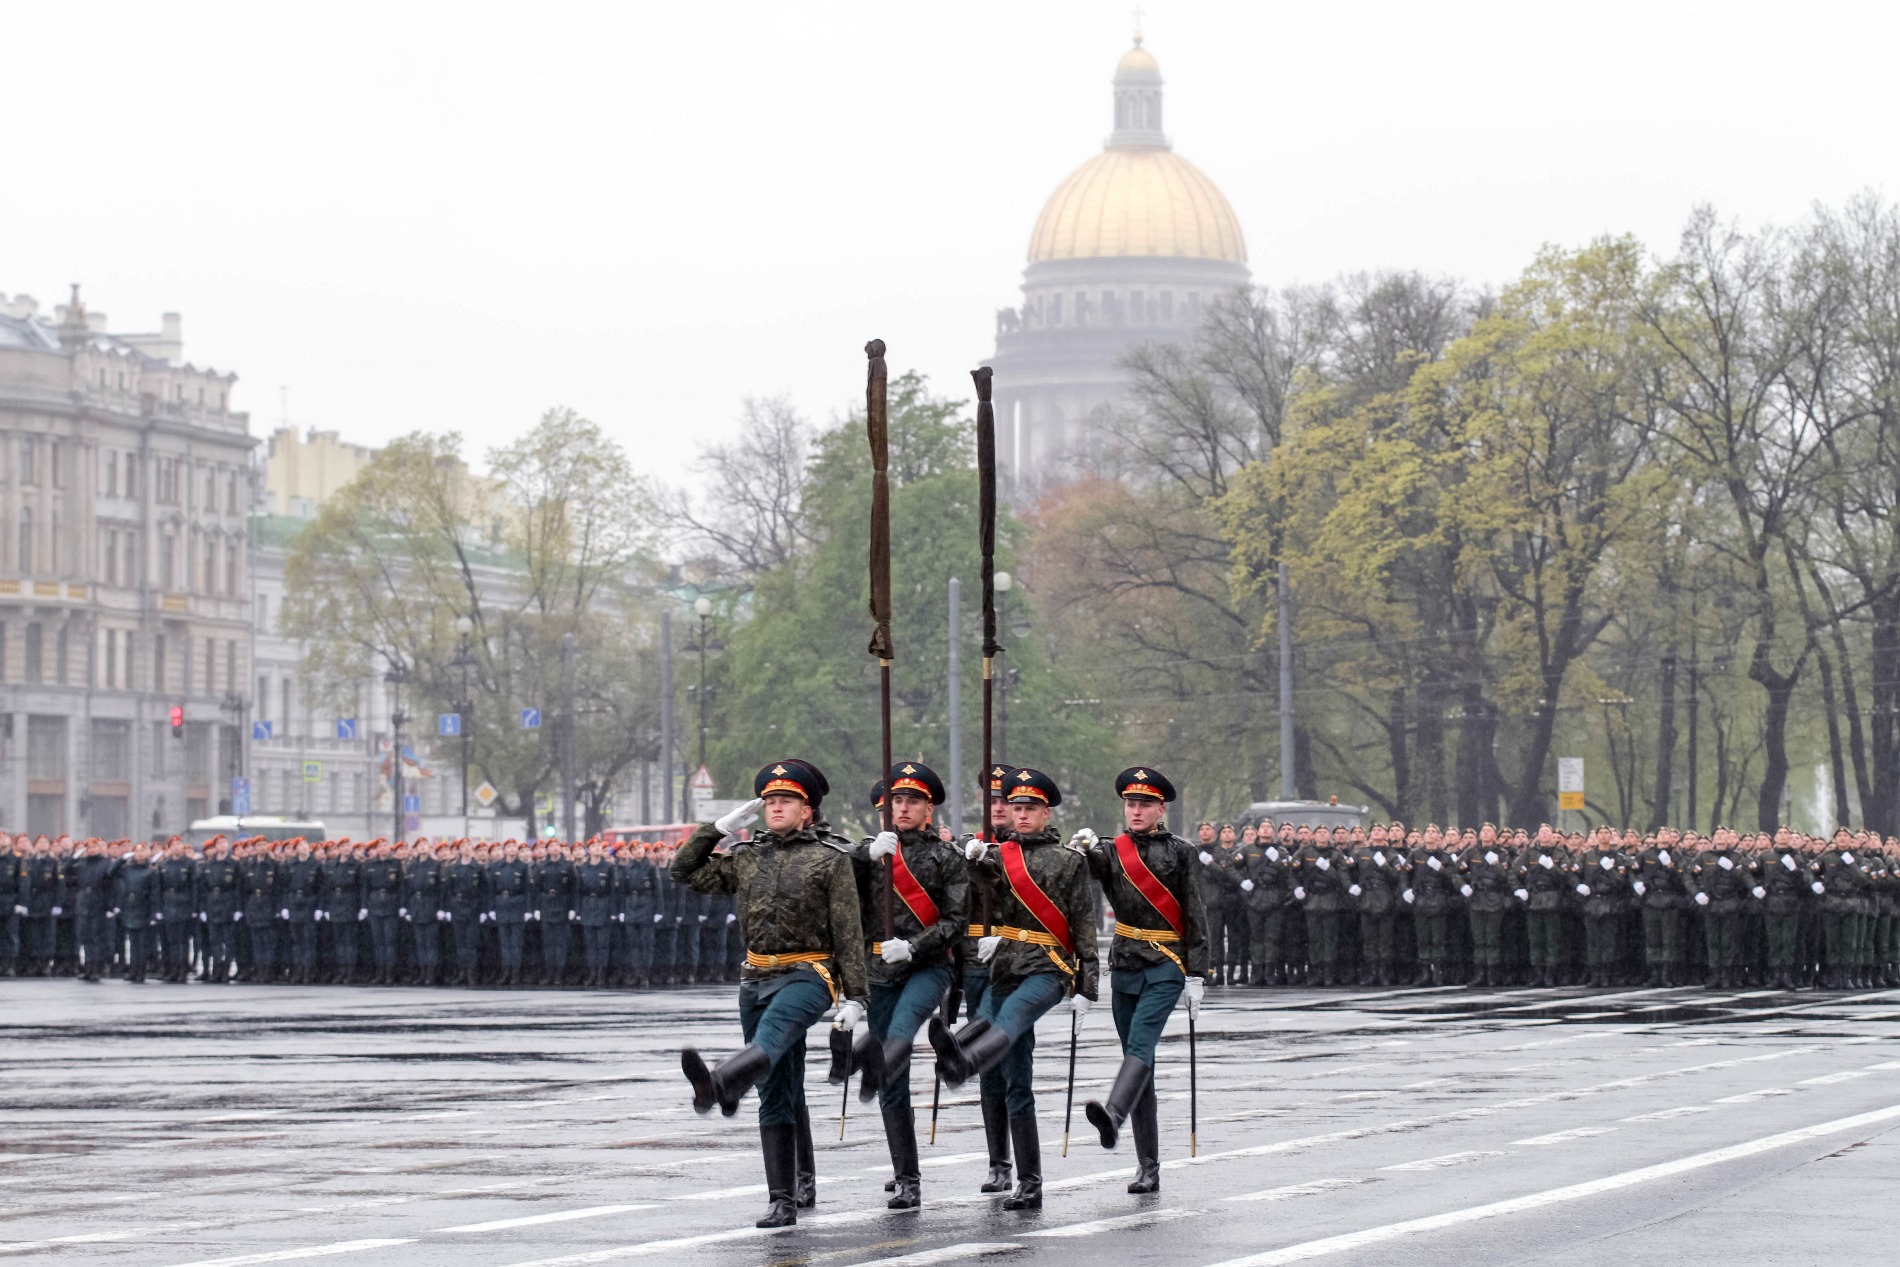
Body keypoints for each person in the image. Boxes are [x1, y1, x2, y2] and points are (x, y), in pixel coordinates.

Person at [674, 760, 868, 1230]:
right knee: (777, 1083)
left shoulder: (829, 858)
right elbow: (682, 870)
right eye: (770, 801)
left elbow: (848, 929)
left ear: (808, 810)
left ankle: (719, 1084)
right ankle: (786, 1194)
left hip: (810, 973)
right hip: (756, 978)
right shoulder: (747, 856)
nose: (775, 807)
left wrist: (857, 996)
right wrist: (716, 829)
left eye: (786, 801)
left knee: (773, 1041)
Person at [931, 766, 1098, 1212]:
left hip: (1048, 968)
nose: (1020, 815)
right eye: (1016, 807)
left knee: (1011, 1017)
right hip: (1003, 967)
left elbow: (1084, 924)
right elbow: (968, 896)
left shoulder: (1068, 860)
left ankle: (962, 1059)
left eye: (1030, 809)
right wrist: (969, 861)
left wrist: (1088, 985)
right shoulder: (997, 856)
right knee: (1015, 1079)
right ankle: (1027, 1180)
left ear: (1046, 813)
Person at [1076, 766, 1206, 1194]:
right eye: (1130, 804)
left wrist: (1197, 974)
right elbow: (1089, 871)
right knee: (1141, 1066)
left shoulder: (1181, 851)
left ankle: (1113, 1114)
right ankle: (1147, 1165)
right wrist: (1084, 849)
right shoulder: (1114, 851)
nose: (1135, 810)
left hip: (1167, 962)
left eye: (1144, 804)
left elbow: (1194, 911)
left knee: (1141, 1045)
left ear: (1160, 809)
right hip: (1127, 962)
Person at [845, 763, 968, 1210]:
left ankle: (860, 1058)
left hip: (927, 968)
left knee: (899, 1033)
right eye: (897, 800)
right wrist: (863, 855)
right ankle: (906, 1176)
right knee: (891, 1078)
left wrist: (914, 947)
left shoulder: (946, 857)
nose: (902, 807)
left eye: (912, 800)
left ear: (928, 808)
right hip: (879, 971)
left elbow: (956, 921)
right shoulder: (875, 853)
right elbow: (836, 886)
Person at [575, 838, 618, 987]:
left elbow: (613, 890)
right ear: (589, 850)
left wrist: (613, 910)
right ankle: (592, 972)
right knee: (590, 944)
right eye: (593, 846)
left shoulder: (608, 867)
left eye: (599, 846)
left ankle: (601, 973)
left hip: (603, 905)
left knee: (603, 944)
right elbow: (578, 891)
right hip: (588, 905)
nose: (597, 848)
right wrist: (578, 910)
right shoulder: (583, 868)